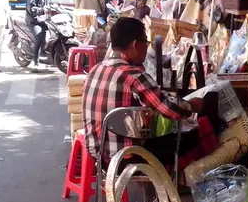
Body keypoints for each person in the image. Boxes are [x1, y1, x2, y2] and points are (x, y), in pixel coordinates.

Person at [82, 17, 219, 167]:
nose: (147, 48)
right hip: (127, 158)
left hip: (99, 156)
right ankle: (169, 182)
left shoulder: (95, 70)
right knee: (191, 136)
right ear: (135, 45)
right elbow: (171, 110)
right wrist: (191, 105)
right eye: (146, 43)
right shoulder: (133, 76)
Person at [26, 0, 55, 72]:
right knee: (39, 37)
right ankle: (35, 63)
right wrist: (42, 10)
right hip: (34, 21)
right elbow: (31, 8)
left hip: (44, 20)